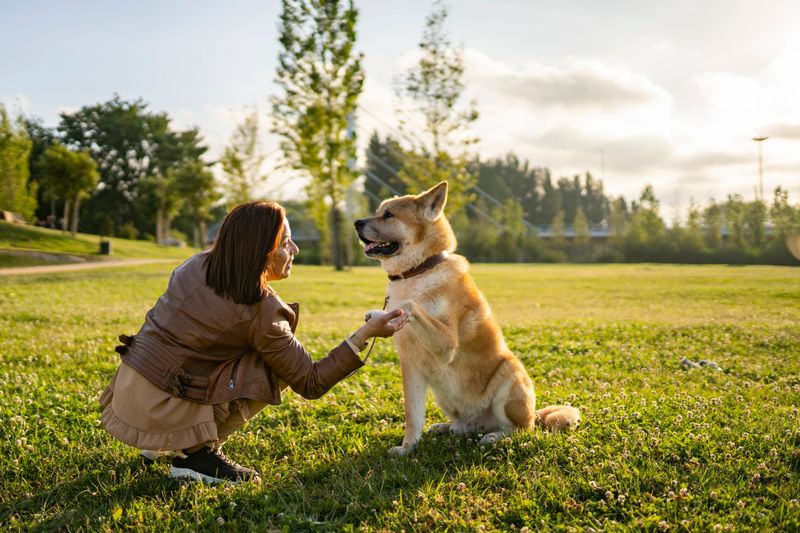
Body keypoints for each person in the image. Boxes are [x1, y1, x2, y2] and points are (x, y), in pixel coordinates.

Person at [99, 200, 406, 484]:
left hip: (130, 390)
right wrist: (365, 334)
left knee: (245, 352)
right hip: (162, 408)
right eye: (286, 243)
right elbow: (311, 382)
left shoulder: (195, 264)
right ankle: (193, 455)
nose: (295, 249)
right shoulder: (262, 309)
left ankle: (164, 444)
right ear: (261, 251)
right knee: (276, 366)